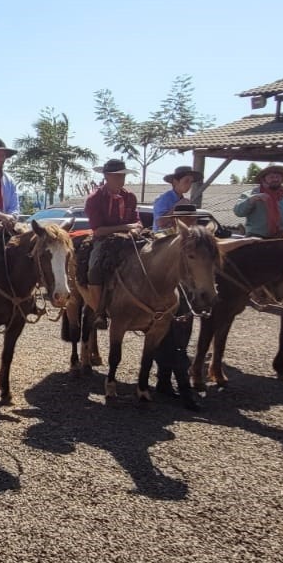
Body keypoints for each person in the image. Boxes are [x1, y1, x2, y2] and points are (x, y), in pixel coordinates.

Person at [150, 200, 204, 398]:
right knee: (167, 339)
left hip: (186, 294)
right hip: (164, 294)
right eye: (185, 219)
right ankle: (180, 385)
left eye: (192, 219)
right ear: (176, 220)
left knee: (182, 337)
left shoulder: (198, 241)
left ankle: (165, 381)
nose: (189, 223)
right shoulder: (161, 238)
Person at [83, 158, 141, 330]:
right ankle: (99, 311)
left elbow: (136, 220)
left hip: (129, 239)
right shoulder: (94, 199)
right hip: (104, 241)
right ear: (107, 176)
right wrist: (126, 227)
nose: (121, 179)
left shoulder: (130, 197)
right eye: (116, 176)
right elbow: (98, 230)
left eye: (122, 176)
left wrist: (136, 229)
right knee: (94, 268)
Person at [233, 164, 283, 237]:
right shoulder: (250, 195)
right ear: (263, 179)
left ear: (282, 179)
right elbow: (238, 212)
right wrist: (253, 199)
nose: (275, 179)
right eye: (271, 177)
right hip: (257, 239)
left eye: (278, 177)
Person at [152, 165, 202, 231]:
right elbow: (160, 223)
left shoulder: (184, 201)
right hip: (162, 238)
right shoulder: (164, 199)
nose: (189, 185)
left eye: (191, 182)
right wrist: (177, 207)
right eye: (186, 181)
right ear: (175, 182)